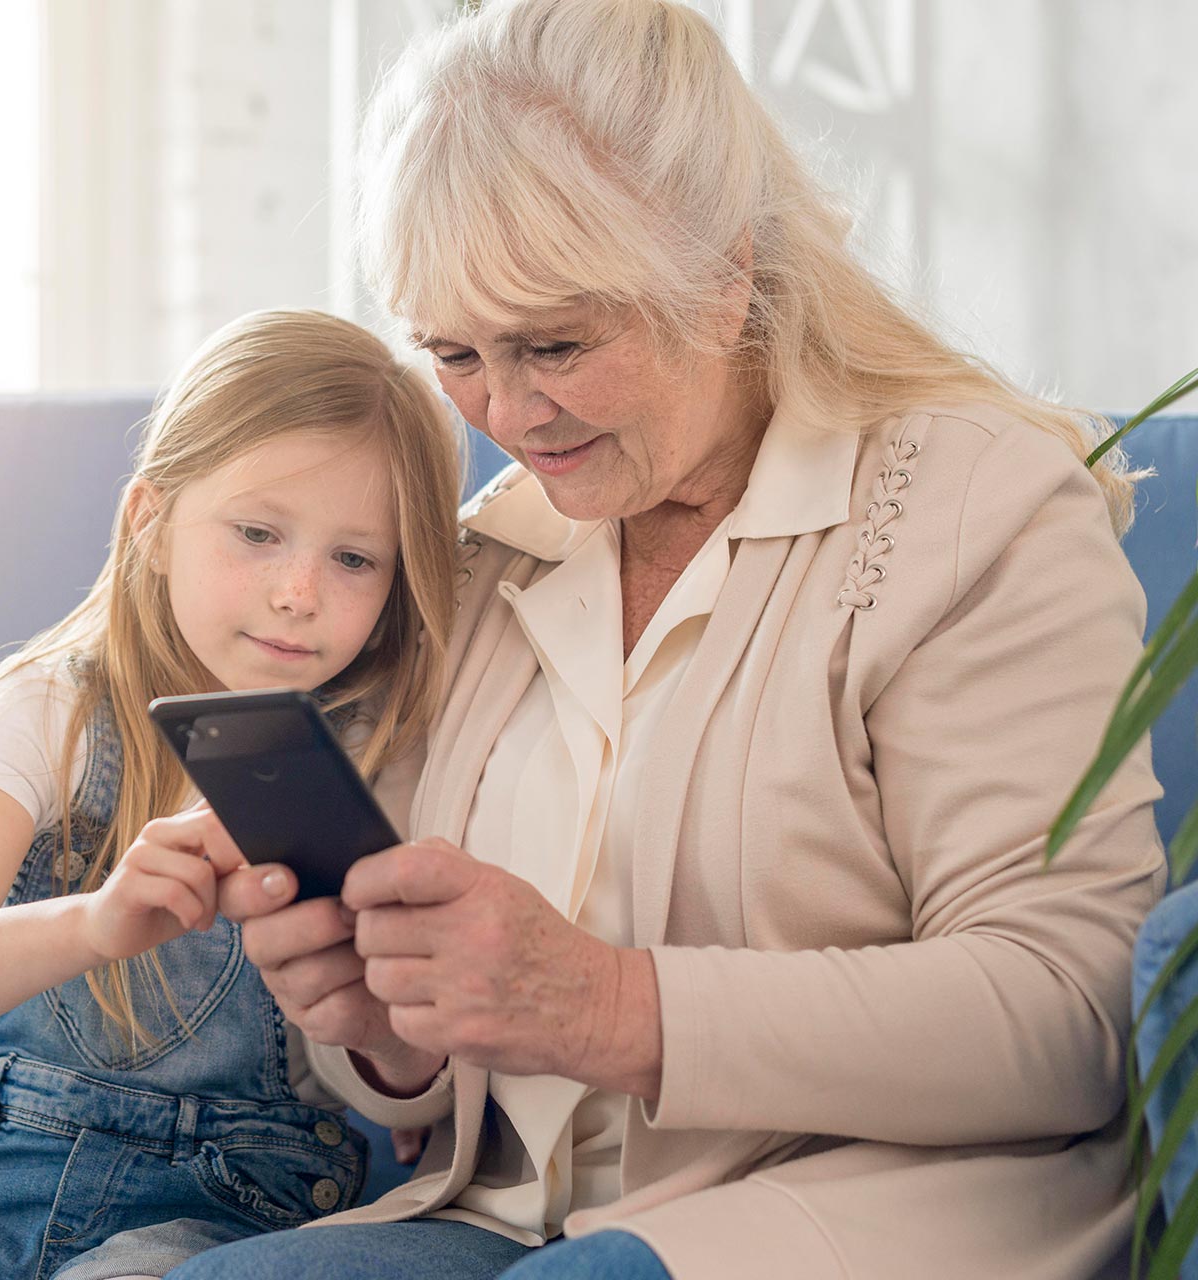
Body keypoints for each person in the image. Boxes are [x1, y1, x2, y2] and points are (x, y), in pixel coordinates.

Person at [172, 2, 1166, 1279]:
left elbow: (1070, 1013)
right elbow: (429, 1087)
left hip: (856, 1211)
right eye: (458, 353)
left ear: (724, 280)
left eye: (558, 343)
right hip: (504, 1217)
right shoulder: (494, 553)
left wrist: (610, 1004)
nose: (510, 412)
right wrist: (389, 1030)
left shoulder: (984, 505)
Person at [0, 308, 463, 1280]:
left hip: (225, 1211)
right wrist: (93, 923)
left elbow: (418, 1076)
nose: (298, 590)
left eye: (354, 558)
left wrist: (385, 1038)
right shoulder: (51, 710)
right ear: (151, 524)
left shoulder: (390, 760)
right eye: (258, 532)